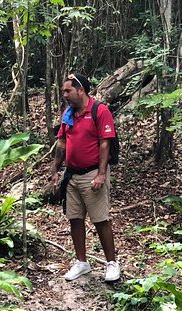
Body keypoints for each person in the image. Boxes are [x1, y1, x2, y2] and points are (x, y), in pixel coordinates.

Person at [50, 73, 120, 282]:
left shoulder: (100, 111)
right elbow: (62, 142)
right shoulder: (68, 113)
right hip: (72, 175)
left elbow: (105, 144)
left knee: (100, 220)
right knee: (75, 219)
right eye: (64, 91)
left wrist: (100, 174)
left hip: (92, 174)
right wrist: (55, 169)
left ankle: (111, 263)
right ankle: (82, 262)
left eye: (68, 90)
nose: (65, 95)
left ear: (80, 90)